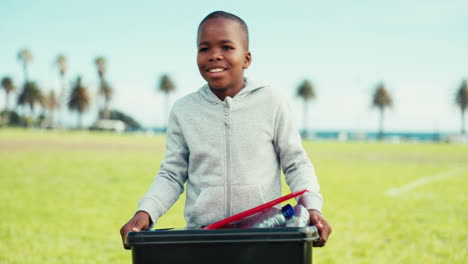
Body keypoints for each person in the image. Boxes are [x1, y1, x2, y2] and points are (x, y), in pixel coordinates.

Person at [120, 10, 331, 248]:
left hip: (264, 236)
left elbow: (296, 163)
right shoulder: (184, 110)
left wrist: (312, 206)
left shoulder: (273, 102)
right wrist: (146, 211)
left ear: (247, 59)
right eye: (204, 48)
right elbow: (171, 173)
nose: (214, 56)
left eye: (227, 47)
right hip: (204, 238)